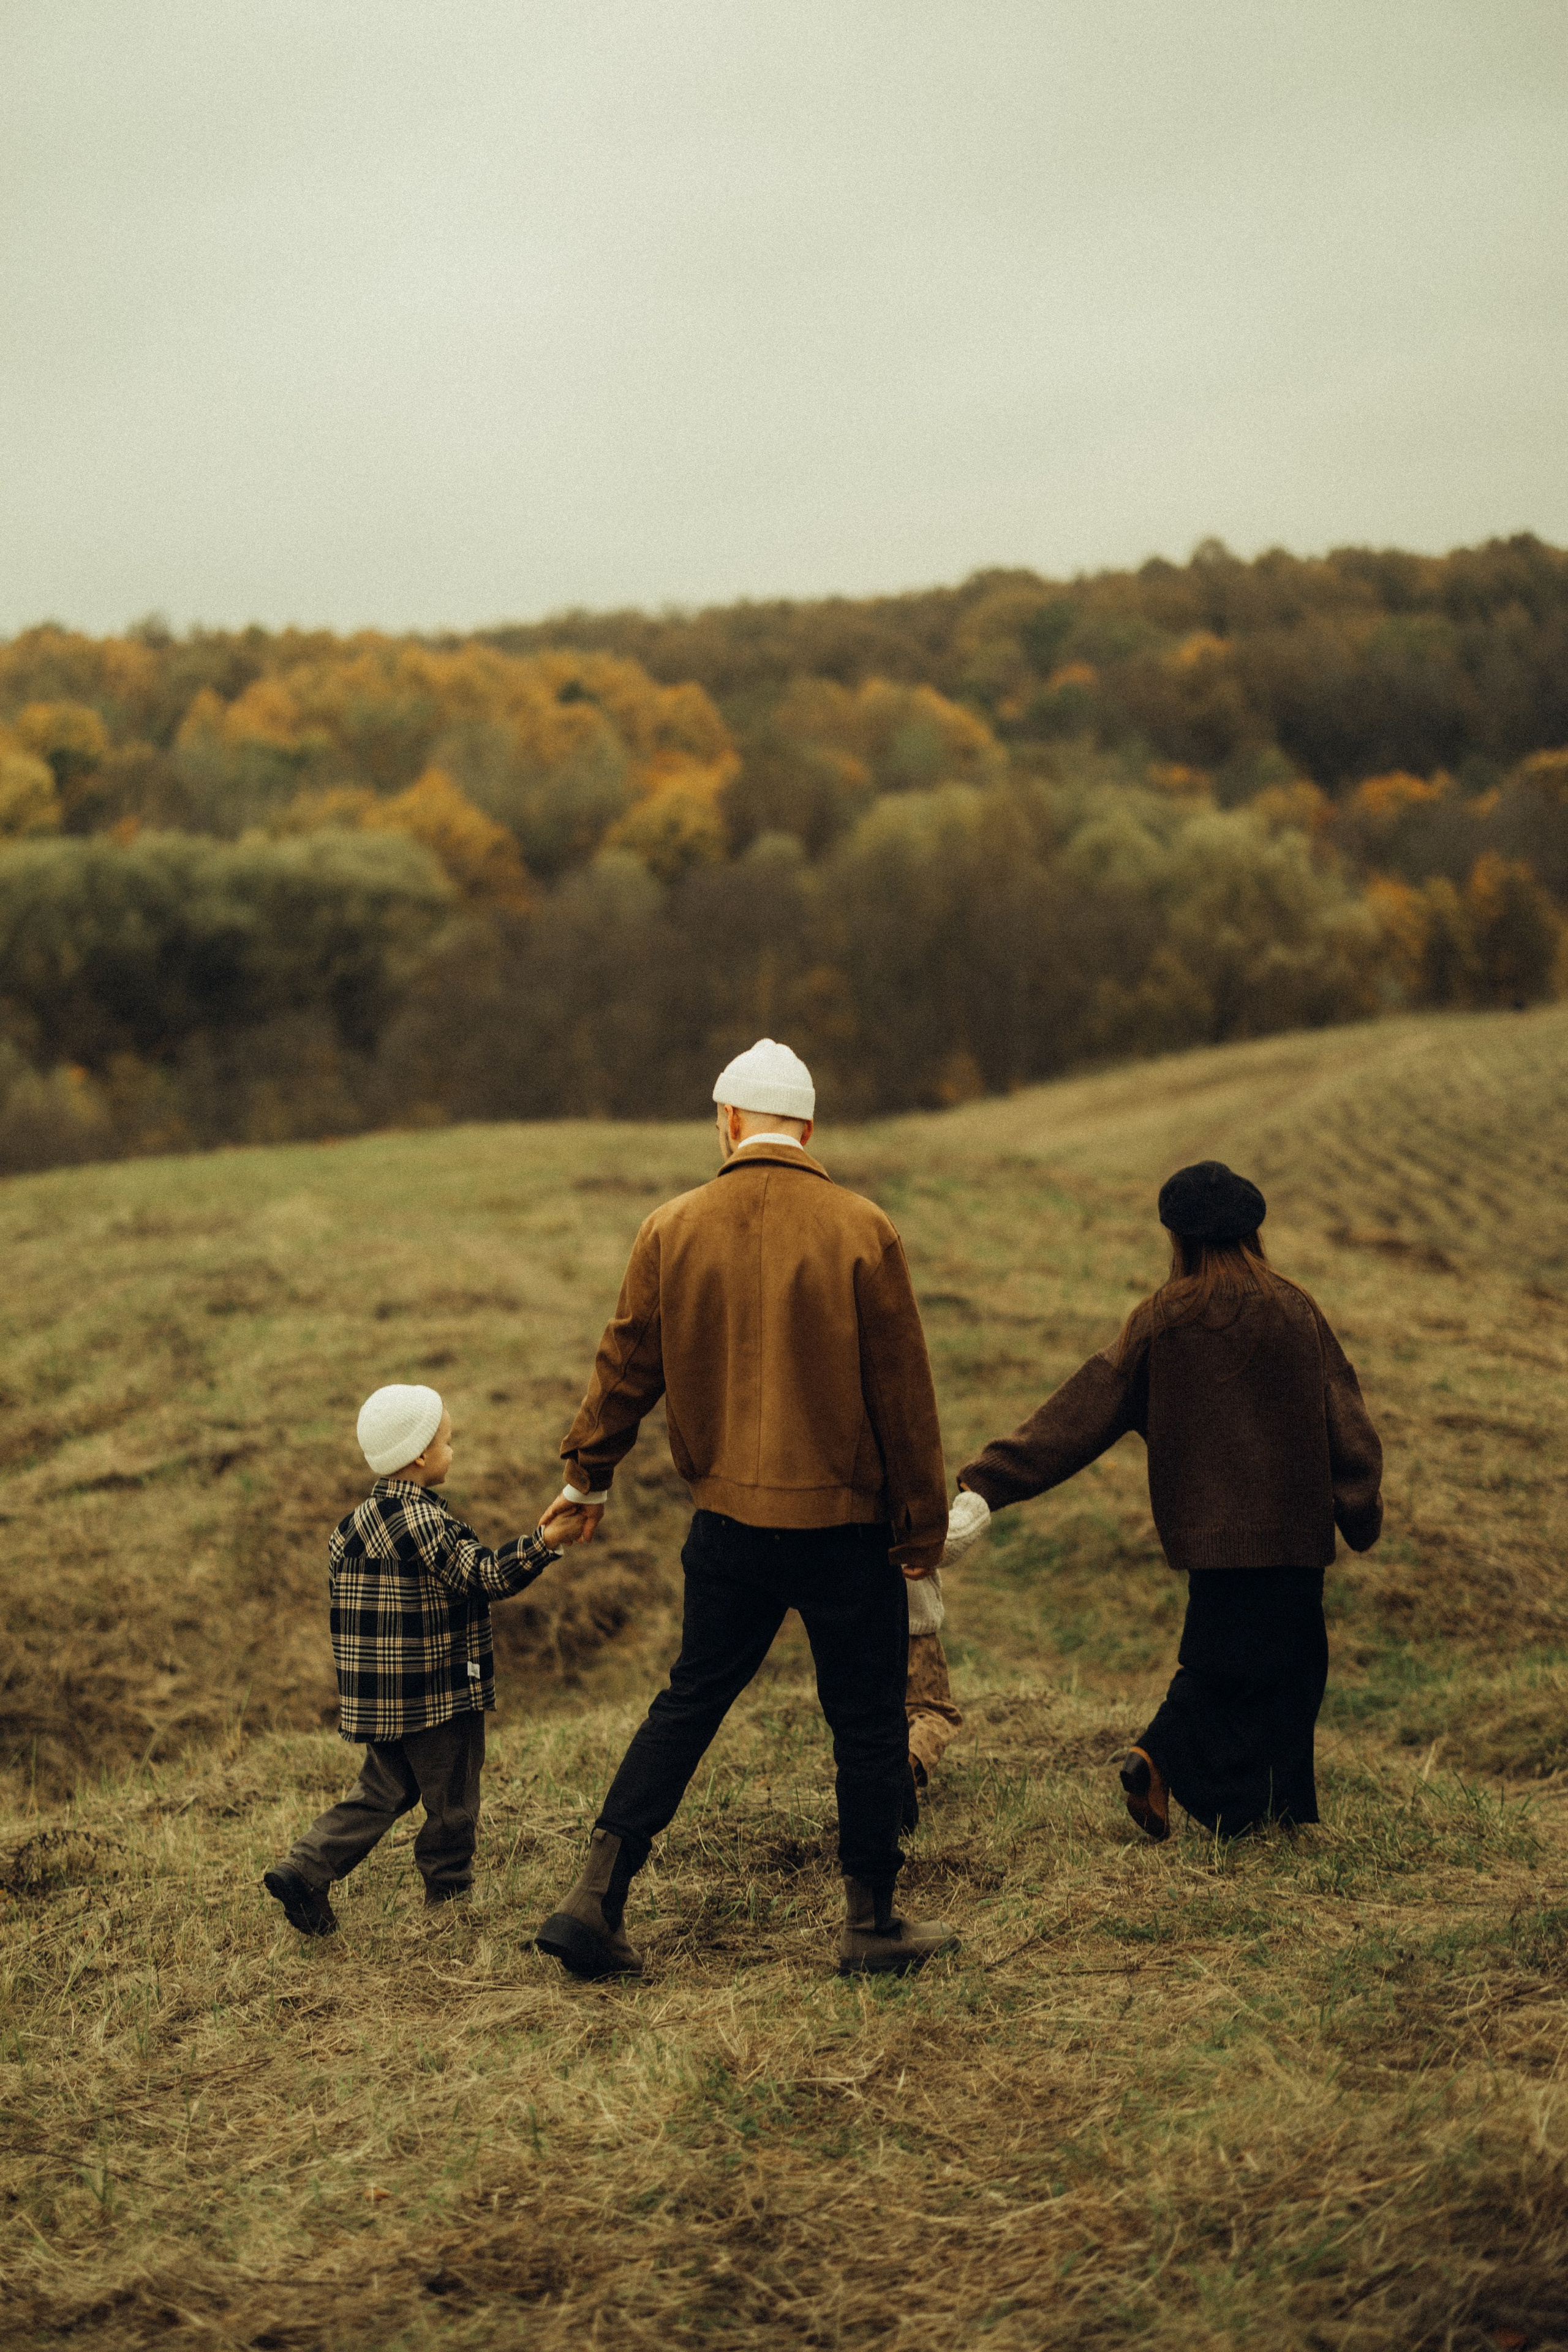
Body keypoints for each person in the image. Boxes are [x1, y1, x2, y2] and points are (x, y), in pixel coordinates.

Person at [534, 1038, 960, 1980]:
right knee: (865, 1722)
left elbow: (625, 1365)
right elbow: (905, 1396)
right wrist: (920, 1531)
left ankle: (593, 1897)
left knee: (689, 1702)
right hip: (846, 1531)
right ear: (808, 1127)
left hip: (726, 1526)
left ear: (728, 1122)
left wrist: (585, 1480)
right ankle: (871, 1922)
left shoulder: (669, 1226)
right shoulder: (863, 1227)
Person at [955, 1162, 1383, 1842]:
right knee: (1287, 1668)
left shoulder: (1160, 1320)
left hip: (1208, 1539)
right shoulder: (1294, 1309)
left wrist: (987, 1480)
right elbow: (1347, 1418)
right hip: (1293, 1536)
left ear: (1177, 1239)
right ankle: (1164, 1762)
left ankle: (1256, 1814)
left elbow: (1077, 1417)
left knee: (1226, 1660)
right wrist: (1359, 1508)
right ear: (1253, 1232)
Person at [263, 1384, 582, 1936]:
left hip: (380, 1702)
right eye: (447, 1443)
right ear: (419, 1456)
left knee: (383, 1790)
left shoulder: (348, 1529)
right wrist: (545, 1542)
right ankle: (449, 1898)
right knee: (452, 1797)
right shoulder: (428, 1525)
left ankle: (306, 1866)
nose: (452, 1452)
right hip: (439, 1695)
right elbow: (486, 1575)